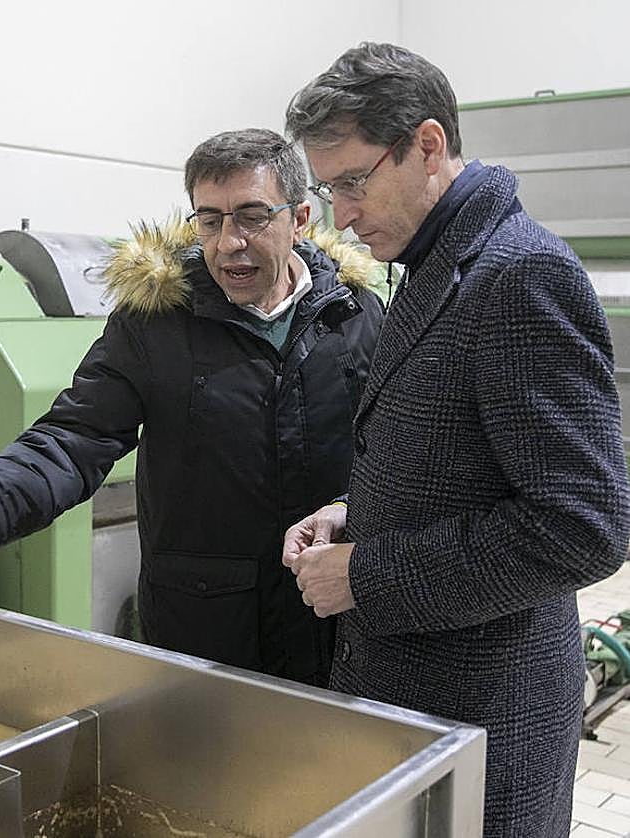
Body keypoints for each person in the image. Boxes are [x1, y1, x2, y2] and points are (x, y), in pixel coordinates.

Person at [282, 42, 630, 836]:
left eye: (352, 182)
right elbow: (459, 461)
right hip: (421, 702)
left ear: (427, 146)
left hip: (484, 716)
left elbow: (582, 529)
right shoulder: (434, 263)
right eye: (327, 189)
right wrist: (352, 513)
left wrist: (368, 574)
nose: (340, 214)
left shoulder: (519, 276)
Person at [0, 128, 384, 688]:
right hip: (204, 637)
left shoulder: (354, 315)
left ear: (300, 218)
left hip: (334, 625)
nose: (229, 242)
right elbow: (75, 436)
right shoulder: (156, 323)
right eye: (209, 220)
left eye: (252, 216)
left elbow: (390, 454)